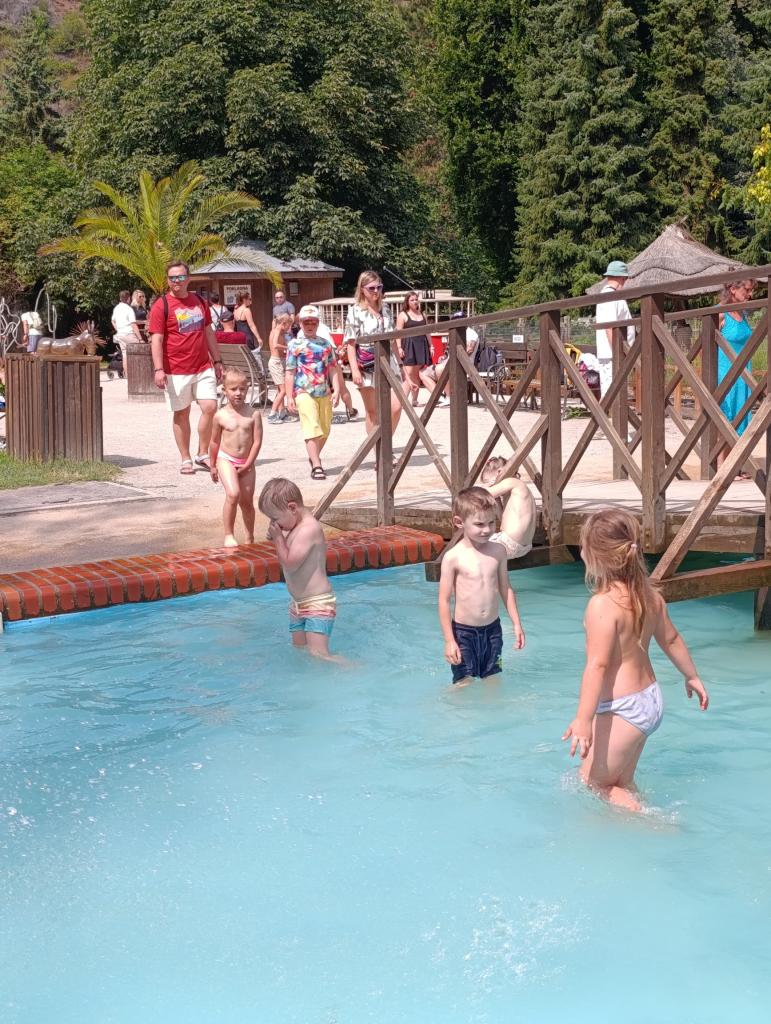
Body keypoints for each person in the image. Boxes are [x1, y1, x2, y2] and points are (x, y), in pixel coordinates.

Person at [562, 508, 709, 812]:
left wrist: (583, 719)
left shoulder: (602, 605)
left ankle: (654, 824)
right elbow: (671, 639)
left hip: (624, 707)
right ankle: (636, 824)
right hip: (649, 700)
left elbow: (598, 665)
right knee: (620, 781)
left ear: (594, 556)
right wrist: (691, 676)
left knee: (593, 783)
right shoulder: (650, 595)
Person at [438, 487, 525, 687]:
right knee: (464, 682)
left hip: (493, 630)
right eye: (479, 524)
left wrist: (516, 624)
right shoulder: (453, 557)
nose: (486, 530)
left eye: (491, 522)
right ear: (459, 522)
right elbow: (444, 601)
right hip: (463, 633)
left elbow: (505, 588)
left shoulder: (499, 551)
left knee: (493, 679)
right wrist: (449, 640)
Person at [148, 259, 224, 474]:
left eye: (181, 277)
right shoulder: (161, 305)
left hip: (202, 366)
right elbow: (156, 339)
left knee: (210, 407)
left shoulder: (199, 301)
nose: (177, 281)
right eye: (172, 278)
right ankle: (185, 458)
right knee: (182, 413)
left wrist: (217, 360)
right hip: (175, 369)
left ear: (188, 279)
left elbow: (208, 332)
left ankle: (202, 453)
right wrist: (158, 369)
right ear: (168, 280)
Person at [258, 477, 337, 659]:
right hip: (298, 604)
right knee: (300, 652)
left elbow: (290, 564)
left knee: (319, 654)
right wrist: (280, 535)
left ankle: (352, 669)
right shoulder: (296, 526)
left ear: (292, 508)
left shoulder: (308, 529)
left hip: (318, 603)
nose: (274, 524)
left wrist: (279, 539)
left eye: (275, 518)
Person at [285, 305, 344, 480]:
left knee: (325, 429)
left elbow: (333, 368)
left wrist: (337, 389)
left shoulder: (325, 344)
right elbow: (290, 372)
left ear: (318, 323)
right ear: (300, 324)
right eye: (306, 322)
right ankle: (317, 465)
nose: (310, 325)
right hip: (303, 391)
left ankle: (313, 456)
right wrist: (289, 396)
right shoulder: (294, 344)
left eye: (313, 322)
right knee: (311, 426)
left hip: (324, 391)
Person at [344, 270, 402, 442]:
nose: (376, 291)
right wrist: (354, 370)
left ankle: (385, 444)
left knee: (396, 406)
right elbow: (350, 343)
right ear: (362, 289)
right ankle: (378, 448)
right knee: (372, 411)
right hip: (367, 364)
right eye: (371, 288)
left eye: (379, 287)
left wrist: (401, 363)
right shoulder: (355, 311)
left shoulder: (386, 308)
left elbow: (392, 338)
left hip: (389, 361)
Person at [209, 368, 263, 547]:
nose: (238, 393)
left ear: (248, 389)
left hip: (247, 461)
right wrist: (212, 465)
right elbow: (214, 442)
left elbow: (257, 442)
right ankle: (228, 534)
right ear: (224, 390)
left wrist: (248, 464)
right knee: (233, 494)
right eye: (233, 389)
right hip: (226, 459)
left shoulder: (253, 414)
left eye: (242, 389)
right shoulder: (220, 415)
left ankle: (249, 537)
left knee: (247, 502)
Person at [717, 279, 755, 479]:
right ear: (733, 289)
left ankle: (736, 465)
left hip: (744, 373)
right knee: (727, 416)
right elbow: (706, 343)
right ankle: (722, 466)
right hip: (726, 372)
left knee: (742, 416)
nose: (750, 294)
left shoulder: (743, 313)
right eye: (747, 290)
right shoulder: (720, 313)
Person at [479, 456, 536, 559]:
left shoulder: (512, 482)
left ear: (500, 471)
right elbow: (503, 519)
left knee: (467, 546)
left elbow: (481, 495)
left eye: (489, 482)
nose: (491, 486)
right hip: (523, 546)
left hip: (508, 542)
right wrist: (496, 499)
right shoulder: (515, 491)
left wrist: (488, 488)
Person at [420, 311, 479, 406]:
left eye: (459, 320)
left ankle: (449, 397)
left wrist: (449, 360)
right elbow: (449, 351)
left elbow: (469, 351)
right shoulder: (454, 333)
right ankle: (440, 398)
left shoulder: (471, 334)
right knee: (423, 373)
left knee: (440, 369)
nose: (456, 323)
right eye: (455, 321)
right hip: (449, 362)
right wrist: (444, 357)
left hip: (463, 365)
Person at [595, 260, 635, 399]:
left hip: (615, 353)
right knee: (611, 393)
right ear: (622, 278)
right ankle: (604, 414)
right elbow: (610, 327)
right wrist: (618, 353)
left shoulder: (611, 296)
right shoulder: (610, 296)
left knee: (614, 392)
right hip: (613, 354)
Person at [396, 292, 432, 408]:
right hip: (409, 345)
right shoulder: (403, 315)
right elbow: (398, 333)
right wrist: (399, 347)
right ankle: (402, 400)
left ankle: (414, 400)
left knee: (416, 374)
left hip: (421, 344)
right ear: (407, 302)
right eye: (412, 300)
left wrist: (431, 345)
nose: (415, 302)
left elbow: (427, 331)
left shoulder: (422, 314)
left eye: (416, 299)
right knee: (408, 373)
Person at [267, 312, 293, 423]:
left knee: (280, 389)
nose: (289, 328)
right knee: (283, 390)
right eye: (288, 325)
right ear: (283, 323)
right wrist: (288, 347)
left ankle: (282, 413)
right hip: (276, 362)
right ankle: (272, 414)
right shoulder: (277, 330)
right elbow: (275, 345)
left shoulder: (279, 332)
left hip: (280, 362)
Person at [111, 290, 143, 374]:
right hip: (129, 334)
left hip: (120, 334)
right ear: (128, 298)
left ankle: (128, 375)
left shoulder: (116, 308)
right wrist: (140, 339)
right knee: (140, 351)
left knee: (125, 354)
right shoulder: (129, 309)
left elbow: (113, 321)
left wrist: (118, 329)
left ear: (120, 298)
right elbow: (133, 324)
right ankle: (138, 373)